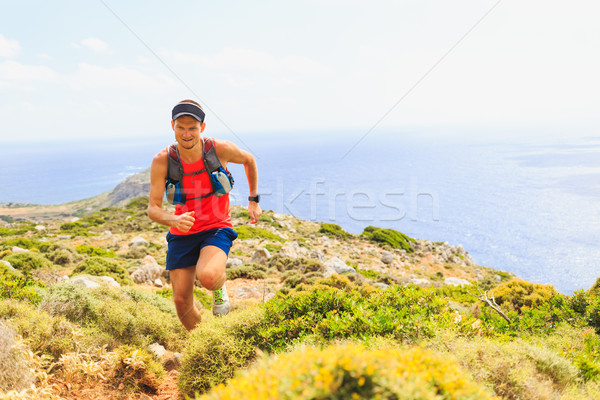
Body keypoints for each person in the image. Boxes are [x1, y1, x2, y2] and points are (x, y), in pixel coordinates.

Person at [148, 99, 261, 331]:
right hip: (182, 231)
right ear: (172, 126)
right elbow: (153, 208)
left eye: (192, 128)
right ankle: (206, 342)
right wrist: (174, 220)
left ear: (202, 127)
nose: (186, 133)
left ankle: (219, 288)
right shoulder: (163, 160)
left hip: (216, 227)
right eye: (181, 127)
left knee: (208, 276)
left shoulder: (219, 149)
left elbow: (249, 160)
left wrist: (253, 200)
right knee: (181, 303)